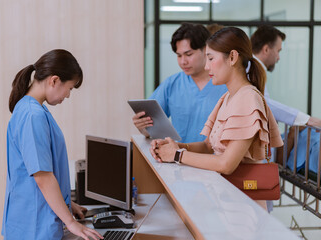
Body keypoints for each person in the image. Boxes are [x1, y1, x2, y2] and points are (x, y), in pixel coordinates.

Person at [150, 27, 283, 210]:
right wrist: (174, 146)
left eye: (211, 58)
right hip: (225, 200)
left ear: (233, 58)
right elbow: (208, 146)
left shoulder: (248, 98)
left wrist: (177, 155)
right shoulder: (228, 97)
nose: (207, 66)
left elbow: (226, 164)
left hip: (242, 207)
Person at [2, 49, 103, 240]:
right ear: (54, 80)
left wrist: (67, 203)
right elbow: (42, 176)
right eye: (70, 88)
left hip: (34, 217)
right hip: (34, 225)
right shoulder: (33, 115)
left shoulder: (33, 109)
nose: (68, 95)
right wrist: (71, 223)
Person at [133, 22, 227, 143]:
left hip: (216, 159)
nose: (183, 62)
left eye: (189, 54)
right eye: (179, 55)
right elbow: (151, 129)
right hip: (179, 158)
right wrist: (143, 127)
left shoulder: (225, 84)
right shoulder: (172, 84)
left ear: (206, 50)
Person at [251, 25, 321, 128]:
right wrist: (307, 120)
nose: (278, 58)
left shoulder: (252, 68)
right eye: (278, 51)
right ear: (266, 49)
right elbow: (263, 104)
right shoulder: (250, 69)